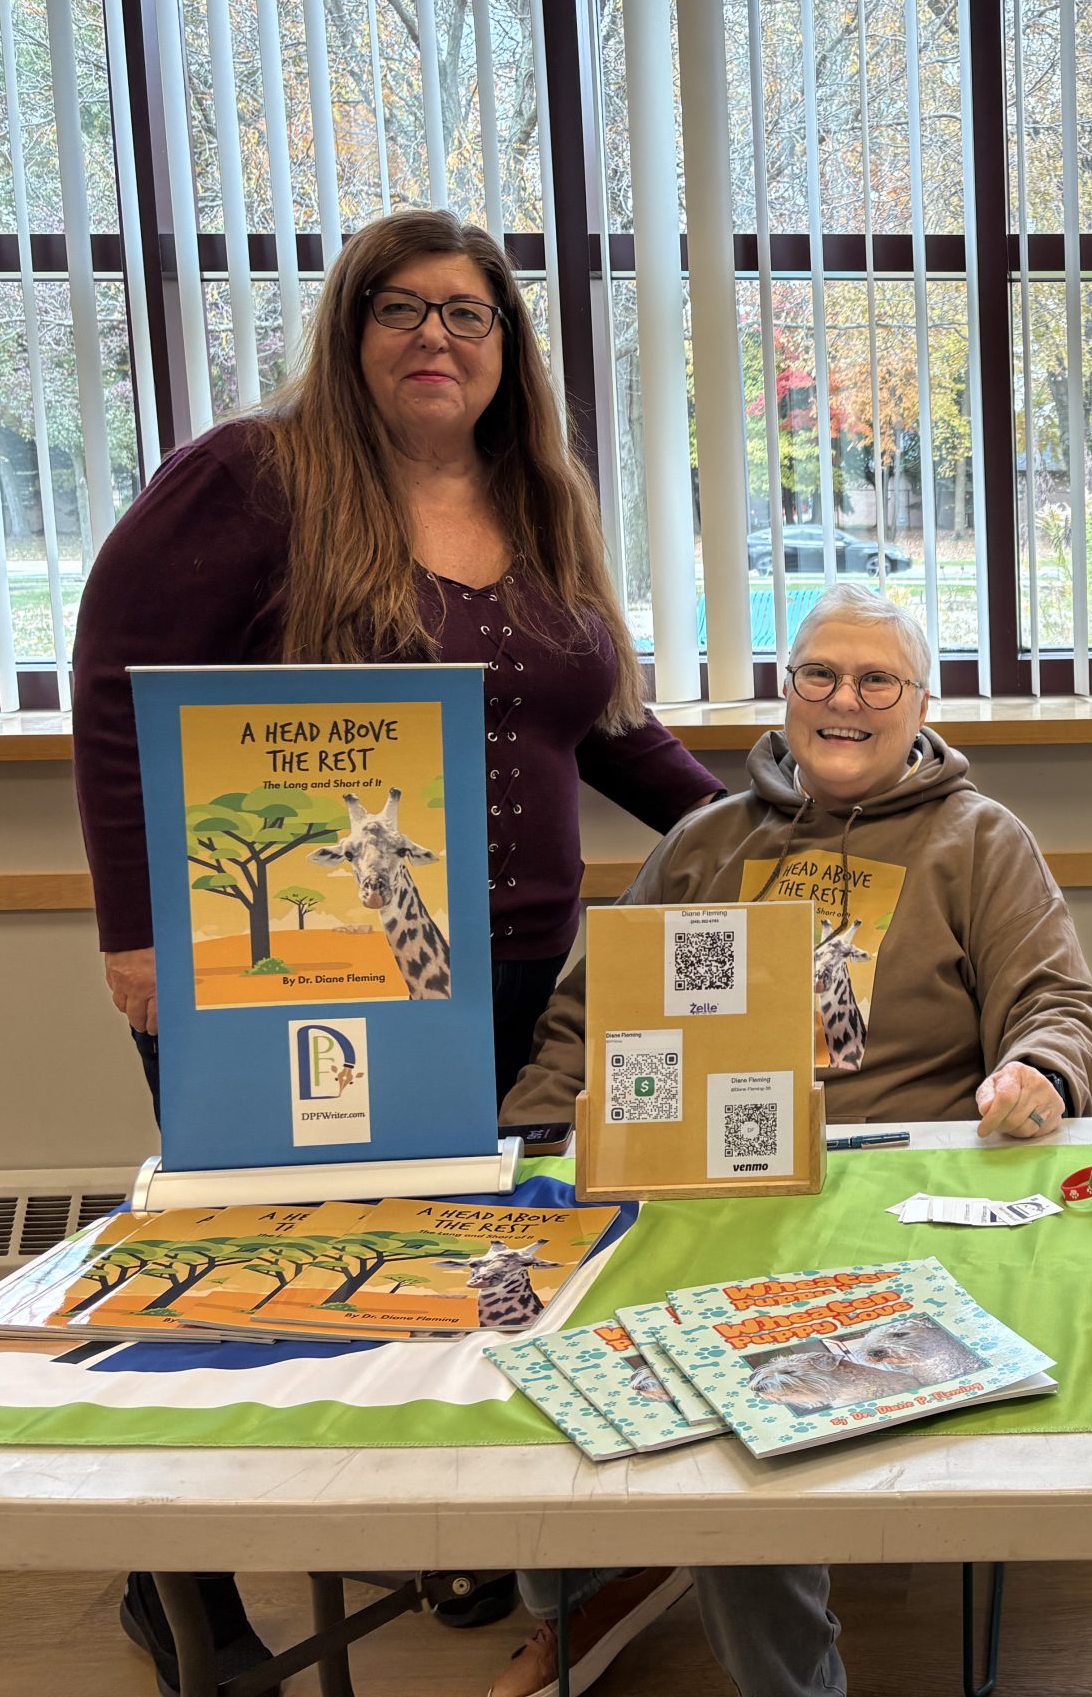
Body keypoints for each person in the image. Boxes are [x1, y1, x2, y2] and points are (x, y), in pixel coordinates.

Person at [72, 210, 725, 1695]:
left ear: (508, 344)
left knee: (462, 1266)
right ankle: (181, 1594)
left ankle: (449, 1523)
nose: (437, 335)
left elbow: (610, 730)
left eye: (468, 312)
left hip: (511, 976)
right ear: (350, 328)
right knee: (252, 1273)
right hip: (300, 971)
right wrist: (138, 931)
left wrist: (767, 828)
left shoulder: (539, 497)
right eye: (400, 307)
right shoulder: (257, 479)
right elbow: (117, 687)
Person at [489, 581, 1092, 1697]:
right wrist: (532, 1139)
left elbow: (1059, 1005)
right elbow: (591, 1014)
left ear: (920, 704)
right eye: (820, 673)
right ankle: (585, 1594)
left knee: (753, 1419)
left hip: (892, 1203)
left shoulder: (979, 841)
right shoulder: (705, 841)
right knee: (530, 1355)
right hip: (697, 1190)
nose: (845, 700)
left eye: (877, 680)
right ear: (786, 695)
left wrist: (1041, 1073)